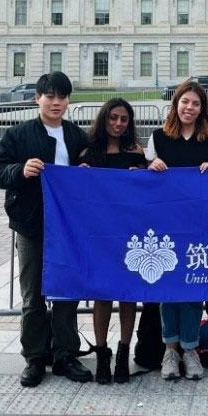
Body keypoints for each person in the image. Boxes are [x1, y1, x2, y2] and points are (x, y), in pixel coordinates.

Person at [0, 71, 93, 387]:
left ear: (68, 101)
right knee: (33, 294)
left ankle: (65, 354)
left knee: (66, 293)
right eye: (50, 97)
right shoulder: (18, 135)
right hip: (33, 224)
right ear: (38, 99)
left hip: (68, 226)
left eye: (62, 97)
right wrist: (21, 170)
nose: (56, 103)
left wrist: (87, 172)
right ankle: (35, 358)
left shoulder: (77, 136)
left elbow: (95, 171)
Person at [145, 79, 208, 381]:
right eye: (184, 102)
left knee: (193, 288)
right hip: (166, 226)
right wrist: (150, 168)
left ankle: (190, 348)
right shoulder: (157, 139)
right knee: (168, 290)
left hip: (199, 227)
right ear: (175, 104)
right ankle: (170, 349)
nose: (189, 108)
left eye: (195, 103)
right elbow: (144, 184)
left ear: (202, 108)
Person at [78, 97, 147, 384]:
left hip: (129, 231)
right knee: (103, 294)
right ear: (104, 119)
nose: (118, 124)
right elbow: (77, 194)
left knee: (128, 293)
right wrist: (78, 176)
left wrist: (142, 175)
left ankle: (123, 353)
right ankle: (103, 352)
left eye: (123, 119)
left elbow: (149, 190)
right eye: (113, 118)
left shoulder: (135, 152)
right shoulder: (88, 153)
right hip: (100, 233)